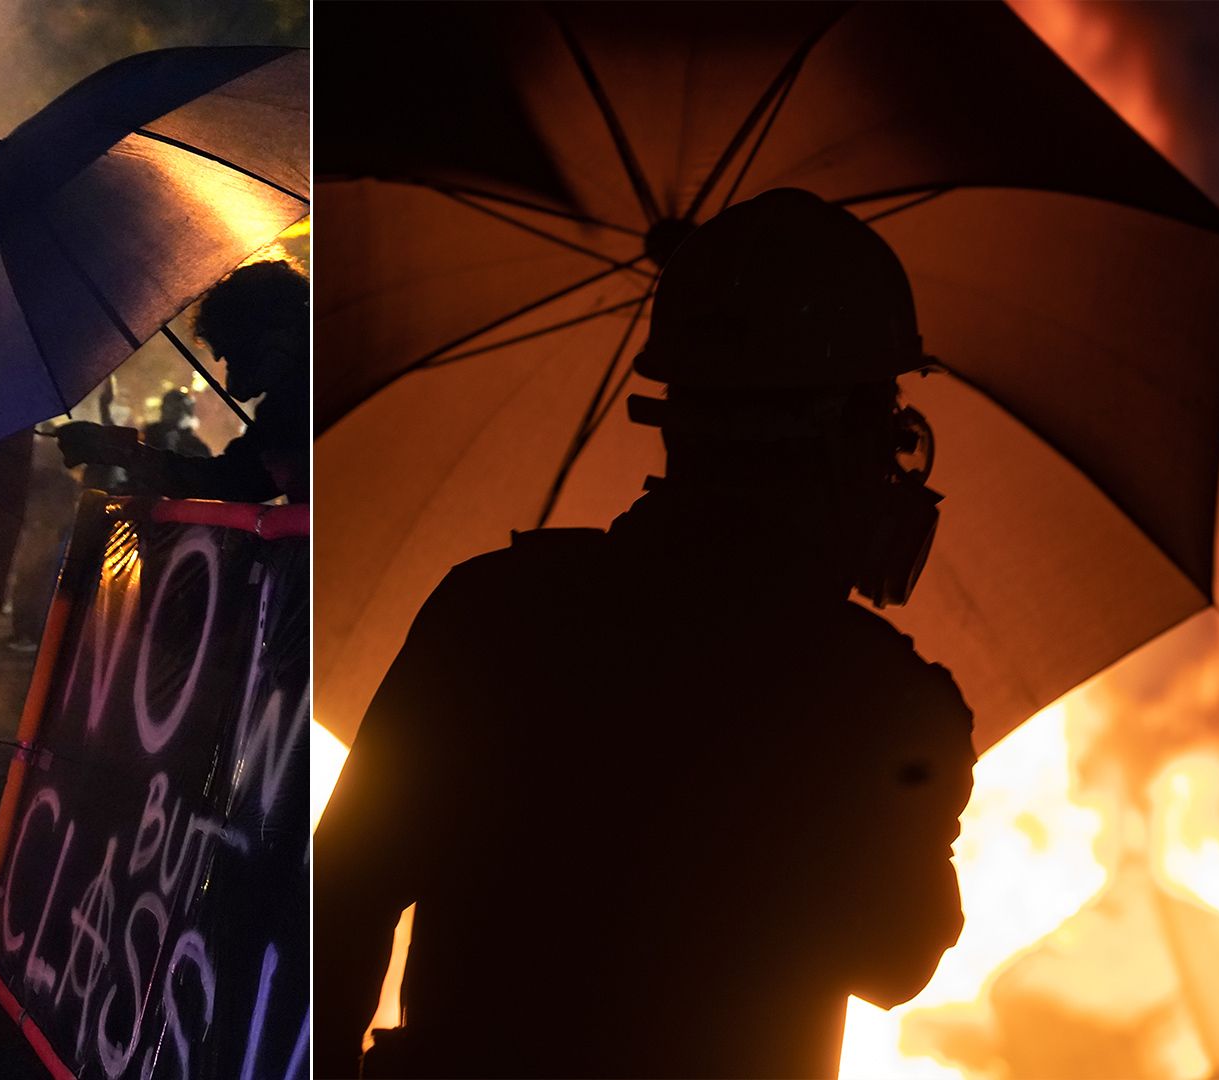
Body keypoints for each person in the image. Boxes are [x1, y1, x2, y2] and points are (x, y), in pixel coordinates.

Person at [313, 189, 976, 1078]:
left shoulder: (494, 612)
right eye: (889, 431)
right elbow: (896, 958)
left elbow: (341, 898)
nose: (891, 470)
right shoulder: (880, 698)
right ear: (836, 441)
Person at [55, 260, 309, 503]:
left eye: (233, 354)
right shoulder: (281, 406)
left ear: (276, 331)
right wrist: (125, 453)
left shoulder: (301, 395)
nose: (233, 374)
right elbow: (233, 478)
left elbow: (233, 481)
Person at [143, 387, 212, 459]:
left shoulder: (196, 447)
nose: (172, 413)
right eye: (170, 407)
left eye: (177, 409)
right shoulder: (149, 434)